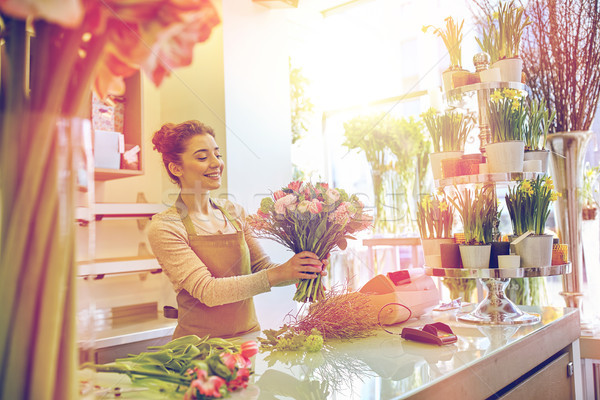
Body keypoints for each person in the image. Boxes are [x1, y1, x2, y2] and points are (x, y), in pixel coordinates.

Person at [148, 120, 326, 339]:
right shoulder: (166, 226)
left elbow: (263, 267)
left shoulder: (234, 213)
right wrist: (280, 273)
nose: (216, 163)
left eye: (217, 155)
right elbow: (208, 291)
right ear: (176, 168)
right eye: (203, 157)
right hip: (199, 348)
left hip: (248, 339)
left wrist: (302, 268)